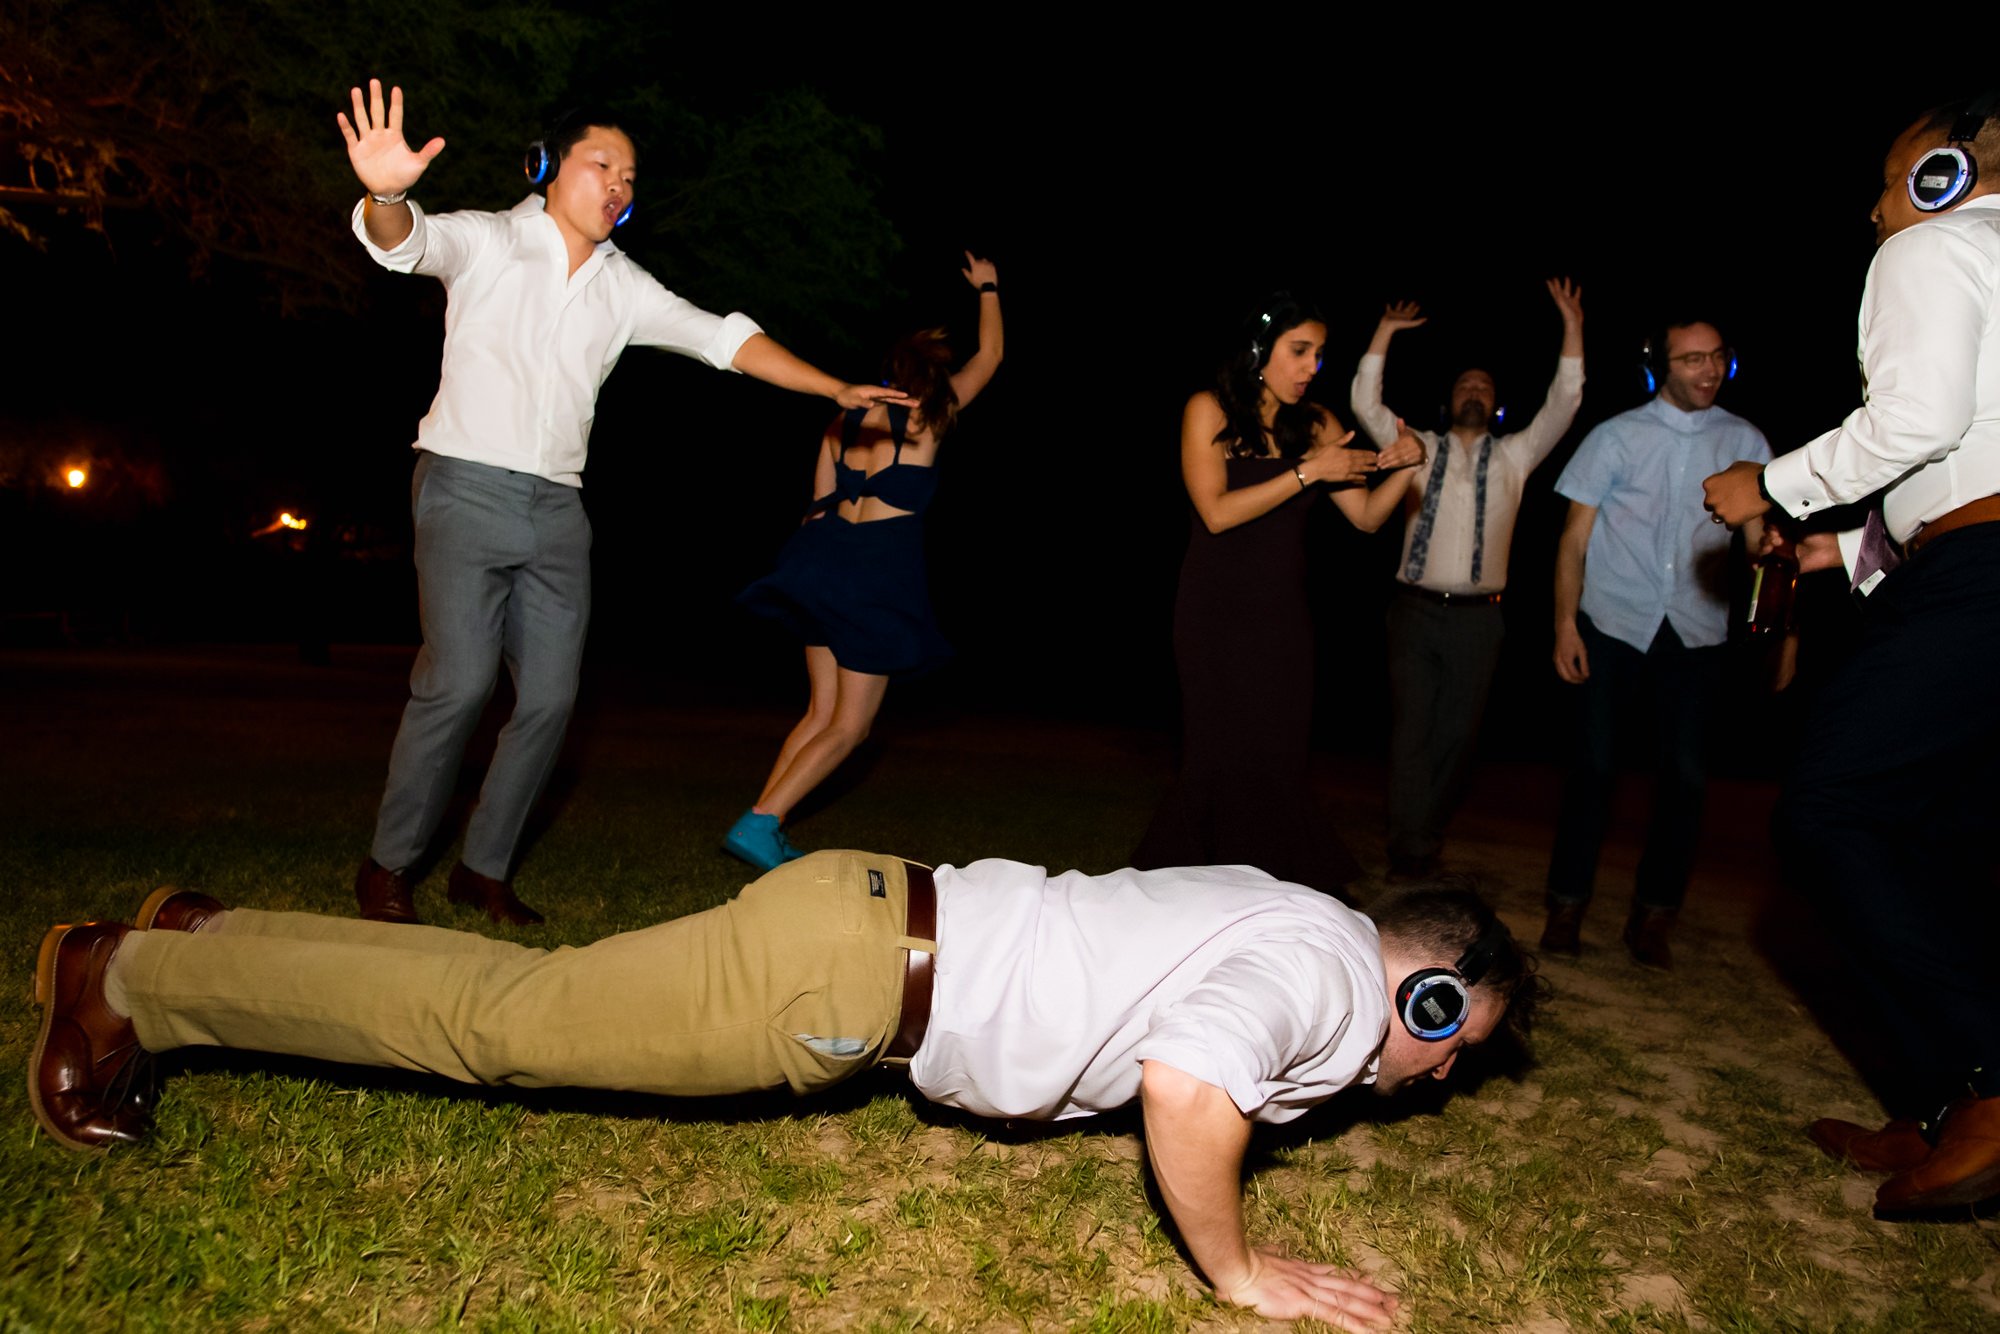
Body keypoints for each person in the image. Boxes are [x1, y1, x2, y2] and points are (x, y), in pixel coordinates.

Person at [31, 855, 1536, 1326]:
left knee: (508, 1005)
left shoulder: (1303, 921)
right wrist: (1243, 1266)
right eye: (1453, 1039)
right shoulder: (1338, 988)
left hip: (871, 932)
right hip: (844, 979)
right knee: (496, 1024)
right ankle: (131, 981)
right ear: (1430, 987)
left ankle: (208, 945)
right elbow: (1189, 1075)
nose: (1437, 1072)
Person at [335, 81, 906, 926]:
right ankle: (389, 866)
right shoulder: (491, 240)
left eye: (631, 176)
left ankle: (482, 870)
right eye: (602, 164)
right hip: (463, 486)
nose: (619, 185)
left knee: (553, 699)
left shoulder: (622, 284)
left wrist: (832, 385)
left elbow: (725, 339)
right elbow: (406, 241)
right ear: (546, 167)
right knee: (457, 683)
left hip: (558, 513)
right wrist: (385, 193)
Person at [1700, 91, 2000, 1213]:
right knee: (1941, 840)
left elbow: (1917, 418)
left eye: (1887, 179)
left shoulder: (1933, 246)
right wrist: (1846, 552)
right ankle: (1940, 1101)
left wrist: (1770, 482)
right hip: (1969, 560)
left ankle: (1990, 1082)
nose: (1872, 207)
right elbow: (1970, 455)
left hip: (1976, 582)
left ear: (1939, 175)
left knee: (1831, 811)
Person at [1133, 294, 1425, 895]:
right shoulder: (1208, 410)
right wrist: (1307, 472)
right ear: (1260, 349)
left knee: (1278, 762)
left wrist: (1409, 465)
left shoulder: (1314, 423)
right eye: (1300, 351)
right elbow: (1215, 512)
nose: (1311, 366)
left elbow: (1368, 518)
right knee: (1216, 757)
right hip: (1213, 614)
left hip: (1282, 620)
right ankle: (1184, 896)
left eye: (1319, 355)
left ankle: (1267, 899)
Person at [725, 256, 1004, 870]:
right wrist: (987, 287)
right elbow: (989, 357)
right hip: (877, 573)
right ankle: (762, 821)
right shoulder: (932, 415)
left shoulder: (841, 421)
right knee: (850, 726)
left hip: (820, 566)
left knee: (819, 712)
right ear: (930, 377)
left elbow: (817, 506)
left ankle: (765, 818)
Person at [1543, 319, 1769, 969]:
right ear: (1660, 366)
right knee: (1593, 769)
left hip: (1698, 630)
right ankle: (1566, 906)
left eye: (1717, 356)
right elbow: (1572, 541)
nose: (1708, 370)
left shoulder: (1746, 440)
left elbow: (1758, 549)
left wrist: (1776, 636)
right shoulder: (1616, 436)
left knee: (1688, 779)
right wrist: (1565, 625)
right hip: (1612, 621)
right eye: (1691, 359)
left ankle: (1655, 916)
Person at [1349, 280, 1586, 880]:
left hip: (1481, 618)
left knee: (1459, 734)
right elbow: (1365, 406)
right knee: (1411, 728)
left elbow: (1565, 401)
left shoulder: (1517, 456)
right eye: (1464, 385)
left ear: (1497, 402)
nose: (1474, 391)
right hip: (1414, 610)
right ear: (1449, 400)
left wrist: (1571, 324)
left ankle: (1423, 831)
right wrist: (1384, 332)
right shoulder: (1416, 448)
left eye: (1484, 386)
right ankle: (1409, 848)